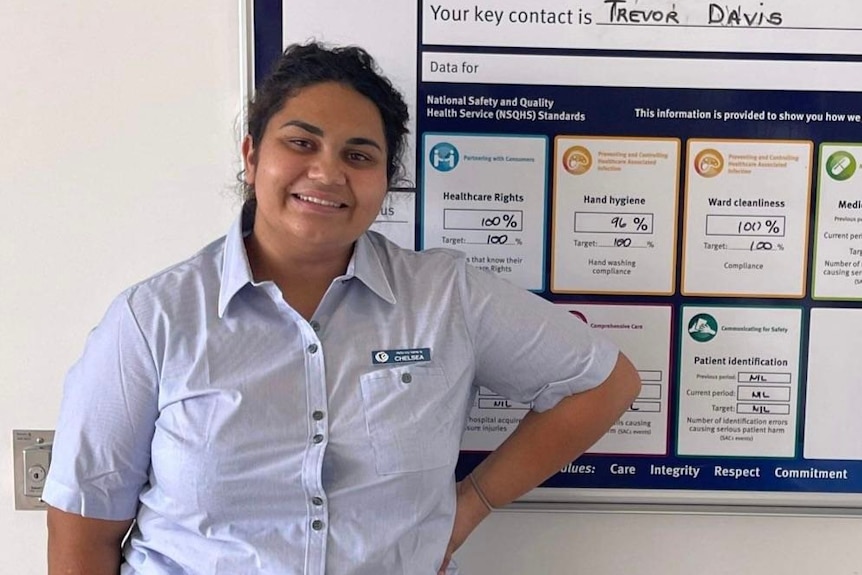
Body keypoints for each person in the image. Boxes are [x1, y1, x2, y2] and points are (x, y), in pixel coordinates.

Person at [43, 42, 641, 574]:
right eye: (301, 143)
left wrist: (472, 503)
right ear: (252, 157)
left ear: (387, 179)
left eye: (359, 156)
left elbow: (604, 383)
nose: (327, 173)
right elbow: (81, 536)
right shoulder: (154, 320)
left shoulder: (445, 298)